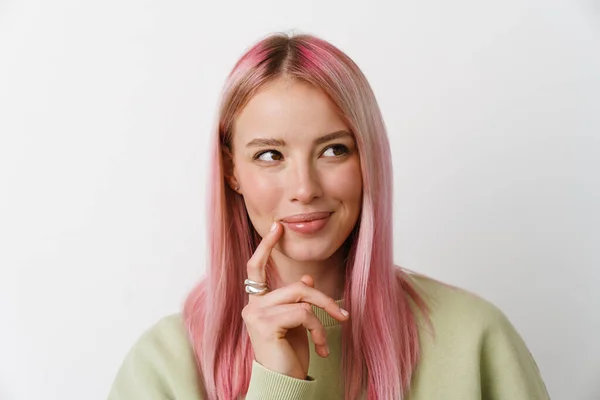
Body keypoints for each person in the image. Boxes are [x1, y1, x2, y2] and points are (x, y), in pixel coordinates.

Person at [107, 32, 550, 400]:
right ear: (232, 171)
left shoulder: (475, 339)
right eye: (269, 155)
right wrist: (277, 383)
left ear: (368, 159)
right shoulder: (165, 364)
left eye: (334, 150)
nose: (305, 188)